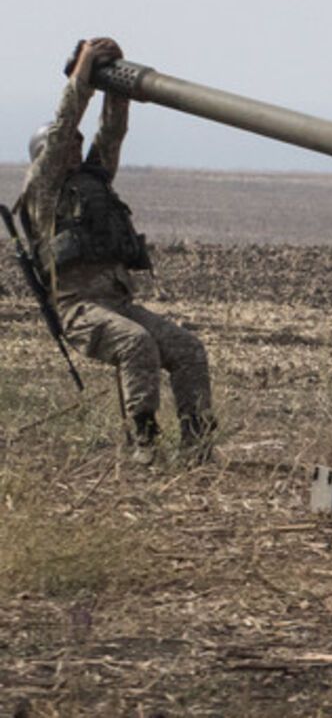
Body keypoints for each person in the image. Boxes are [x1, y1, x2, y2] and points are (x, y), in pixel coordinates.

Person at [17, 37, 216, 464]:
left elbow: (111, 131)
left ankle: (198, 446)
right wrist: (82, 73)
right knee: (136, 344)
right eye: (66, 141)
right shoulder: (44, 190)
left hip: (118, 304)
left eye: (77, 141)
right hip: (79, 310)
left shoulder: (94, 179)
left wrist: (117, 81)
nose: (74, 145)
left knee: (188, 350)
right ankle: (144, 443)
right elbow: (64, 119)